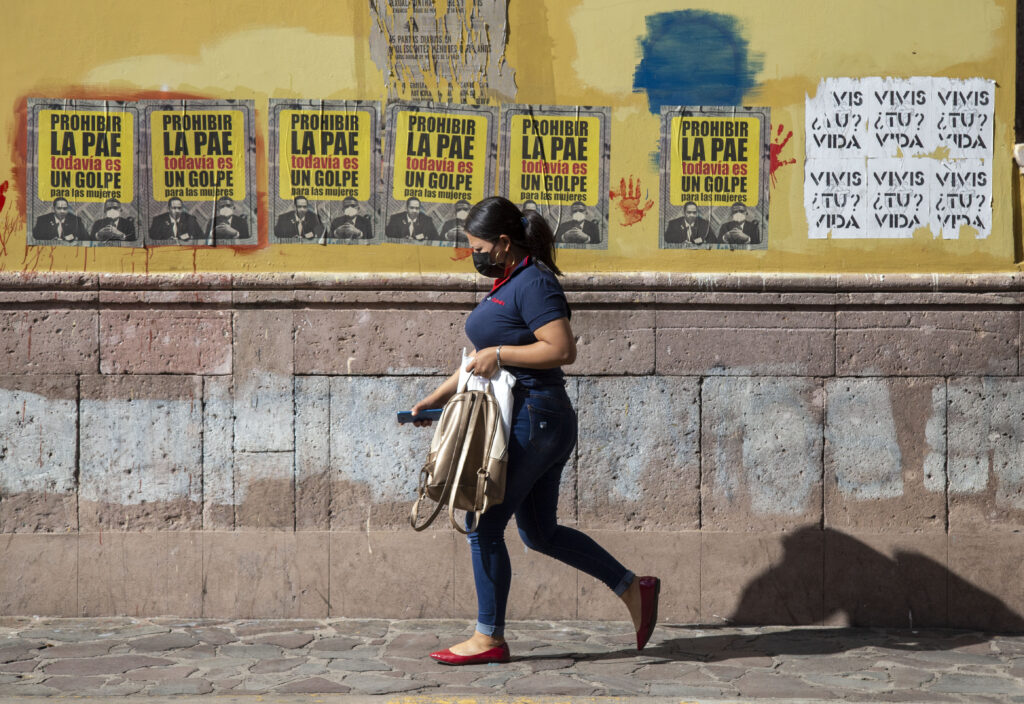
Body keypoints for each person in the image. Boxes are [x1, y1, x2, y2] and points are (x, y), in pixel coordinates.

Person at [407, 196, 660, 665]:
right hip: (535, 417)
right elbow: (481, 359)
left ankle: (489, 638)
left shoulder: (535, 282)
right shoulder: (510, 282)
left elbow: (561, 349)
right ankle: (633, 589)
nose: (474, 255)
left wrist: (500, 355)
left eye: (478, 246)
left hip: (535, 417)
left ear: (504, 243)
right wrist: (437, 398)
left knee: (483, 525)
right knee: (540, 533)